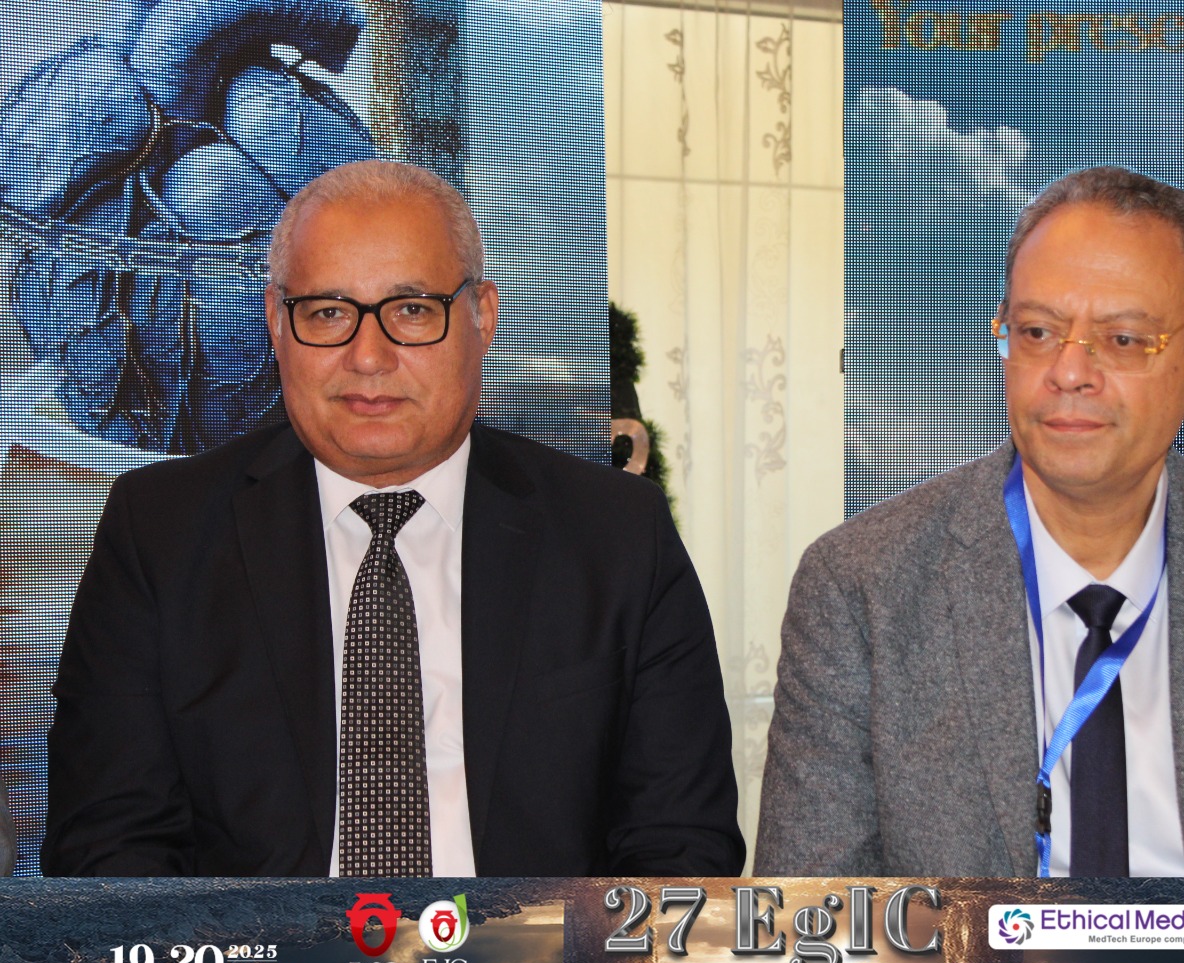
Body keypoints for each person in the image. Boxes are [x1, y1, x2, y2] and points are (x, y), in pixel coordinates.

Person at [42, 159, 743, 879]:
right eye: (327, 313)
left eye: (412, 310)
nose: (368, 357)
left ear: (482, 316)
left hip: (535, 953)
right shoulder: (160, 534)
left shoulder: (616, 536)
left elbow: (680, 851)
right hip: (255, 953)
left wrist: (529, 955)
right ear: (276, 323)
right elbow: (108, 849)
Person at [755, 166, 1184, 880]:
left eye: (1124, 340)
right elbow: (810, 921)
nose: (1069, 371)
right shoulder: (863, 587)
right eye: (1037, 332)